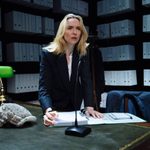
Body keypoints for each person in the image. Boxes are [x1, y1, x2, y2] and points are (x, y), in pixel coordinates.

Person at [39, 13, 103, 126]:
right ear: (62, 31)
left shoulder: (82, 52)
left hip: (74, 106)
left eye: (78, 28)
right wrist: (47, 110)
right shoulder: (48, 54)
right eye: (70, 28)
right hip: (55, 107)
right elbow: (44, 88)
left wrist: (89, 106)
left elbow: (86, 80)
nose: (75, 32)